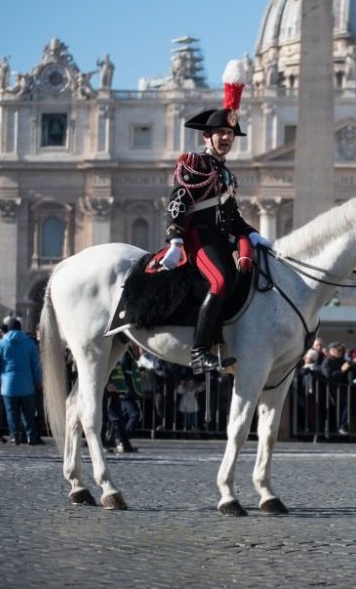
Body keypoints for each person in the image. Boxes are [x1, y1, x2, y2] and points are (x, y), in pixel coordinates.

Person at [158, 63, 269, 374]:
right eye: (220, 133)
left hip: (220, 238)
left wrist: (252, 233)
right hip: (199, 237)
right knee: (220, 279)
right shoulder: (196, 162)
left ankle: (225, 335)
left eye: (230, 134)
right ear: (206, 136)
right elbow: (180, 198)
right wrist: (176, 239)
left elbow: (231, 217)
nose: (225, 138)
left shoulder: (226, 172)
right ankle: (198, 350)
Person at [0, 319, 43, 445]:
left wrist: (1, 376)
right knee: (28, 412)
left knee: (11, 412)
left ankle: (15, 436)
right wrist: (37, 380)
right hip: (27, 385)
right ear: (20, 329)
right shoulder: (29, 343)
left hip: (8, 385)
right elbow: (36, 364)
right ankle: (30, 436)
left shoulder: (1, 343)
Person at [105, 343, 143, 453]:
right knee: (119, 416)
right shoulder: (124, 352)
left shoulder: (126, 352)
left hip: (120, 388)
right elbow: (120, 368)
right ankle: (119, 439)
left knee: (117, 417)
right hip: (120, 388)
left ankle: (118, 440)